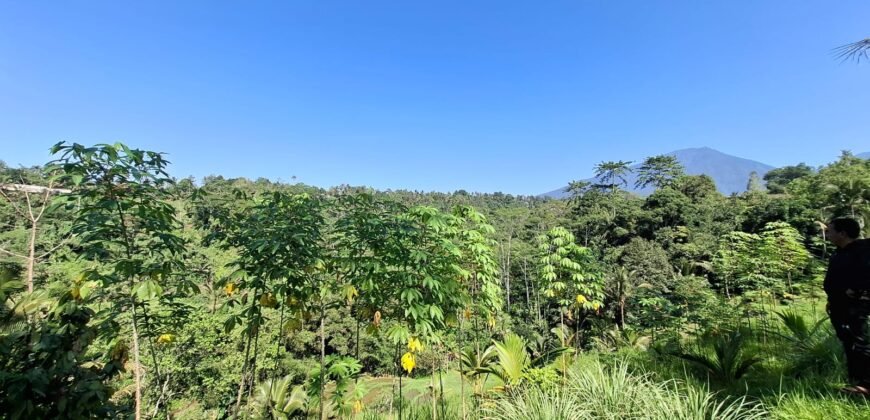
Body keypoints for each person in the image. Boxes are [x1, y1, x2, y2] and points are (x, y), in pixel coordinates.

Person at [824, 217, 870, 395]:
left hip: (856, 306)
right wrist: (832, 299)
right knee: (849, 342)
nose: (827, 234)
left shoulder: (863, 250)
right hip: (839, 306)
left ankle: (866, 385)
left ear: (842, 233)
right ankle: (857, 382)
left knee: (861, 342)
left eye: (830, 231)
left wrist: (857, 291)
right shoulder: (839, 252)